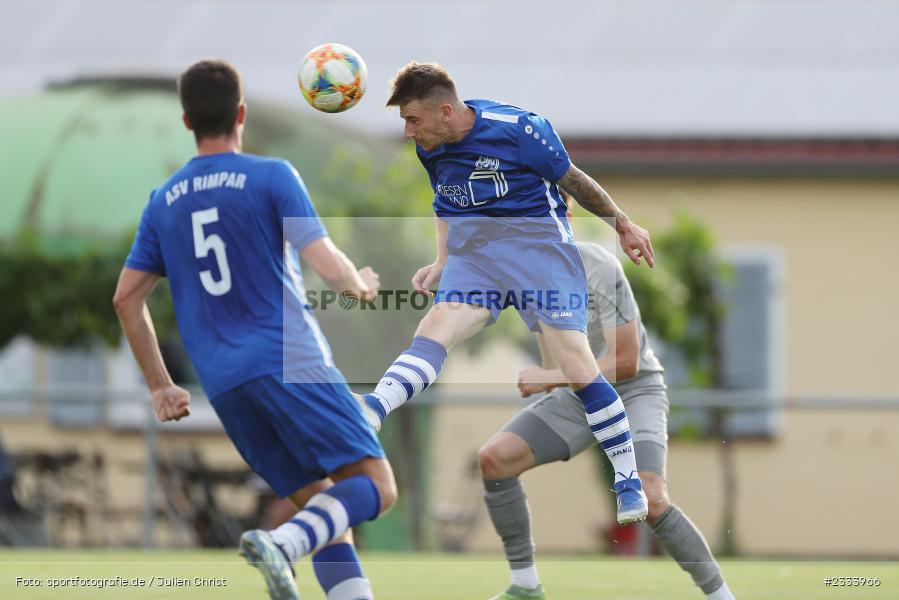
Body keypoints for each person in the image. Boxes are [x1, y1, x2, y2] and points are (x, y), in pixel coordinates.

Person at [113, 59, 395, 600]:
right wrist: (357, 284)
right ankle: (284, 544)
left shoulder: (163, 201)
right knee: (377, 488)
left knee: (324, 504)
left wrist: (160, 384)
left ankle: (307, 556)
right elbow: (326, 261)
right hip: (289, 358)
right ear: (240, 114)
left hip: (224, 383)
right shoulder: (271, 176)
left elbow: (126, 298)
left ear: (186, 120)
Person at [359, 62, 653, 524]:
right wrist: (442, 261)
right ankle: (372, 411)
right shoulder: (431, 145)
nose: (408, 132)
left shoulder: (520, 129)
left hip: (541, 250)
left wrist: (623, 224)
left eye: (413, 120)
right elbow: (446, 204)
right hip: (479, 255)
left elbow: (574, 180)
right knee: (433, 328)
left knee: (576, 365)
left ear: (445, 110)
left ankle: (628, 479)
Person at [477, 226, 736, 600]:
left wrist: (548, 376)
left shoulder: (599, 265)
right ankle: (525, 586)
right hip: (575, 394)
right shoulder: (523, 275)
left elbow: (627, 362)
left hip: (635, 389)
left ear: (561, 213)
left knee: (650, 496)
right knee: (493, 459)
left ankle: (721, 596)